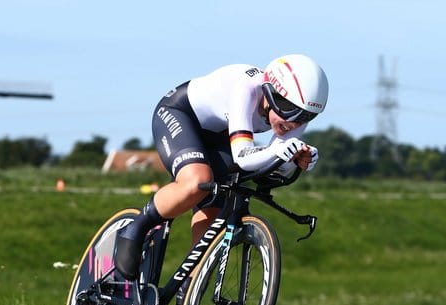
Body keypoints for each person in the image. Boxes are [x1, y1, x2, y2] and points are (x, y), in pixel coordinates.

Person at [114, 54, 329, 283]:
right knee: (197, 182)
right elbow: (245, 157)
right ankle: (135, 229)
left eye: (306, 116)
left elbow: (272, 170)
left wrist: (295, 161)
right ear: (270, 92)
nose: (294, 123)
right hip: (181, 114)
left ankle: (186, 292)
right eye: (288, 109)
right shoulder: (245, 89)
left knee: (217, 209)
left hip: (221, 137)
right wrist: (281, 152)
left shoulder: (294, 118)